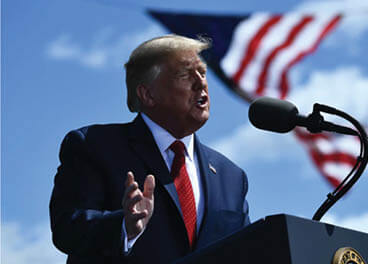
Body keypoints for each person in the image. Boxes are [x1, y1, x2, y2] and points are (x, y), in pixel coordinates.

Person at [50, 35, 250, 264]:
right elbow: (67, 228)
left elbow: (246, 251)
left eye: (202, 73)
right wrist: (125, 227)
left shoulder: (231, 176)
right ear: (148, 94)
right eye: (185, 74)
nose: (201, 83)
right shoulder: (94, 145)